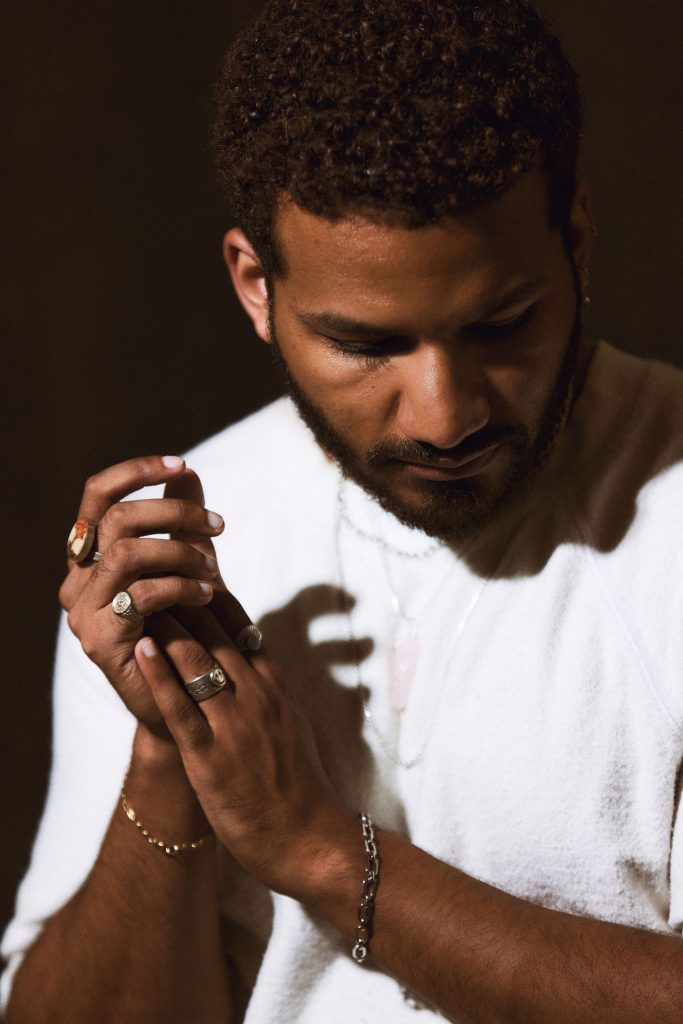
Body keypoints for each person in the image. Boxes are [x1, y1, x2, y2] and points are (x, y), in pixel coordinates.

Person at [3, 0, 683, 1020]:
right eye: (366, 346)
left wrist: (321, 852)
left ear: (574, 241)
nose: (444, 414)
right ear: (253, 286)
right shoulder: (172, 555)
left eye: (501, 325)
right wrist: (170, 754)